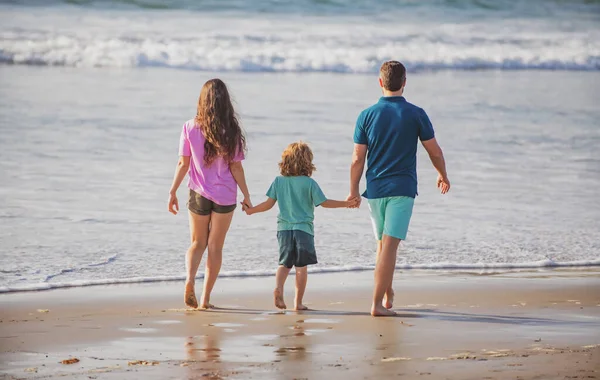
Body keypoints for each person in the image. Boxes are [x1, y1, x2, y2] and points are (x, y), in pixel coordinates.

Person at [348, 61, 450, 317]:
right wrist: (442, 175)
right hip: (402, 189)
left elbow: (357, 159)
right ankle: (376, 305)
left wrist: (353, 190)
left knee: (383, 245)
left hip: (375, 189)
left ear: (380, 82)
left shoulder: (367, 115)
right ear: (404, 83)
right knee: (389, 247)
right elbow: (434, 151)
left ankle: (387, 291)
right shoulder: (416, 113)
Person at [168, 78, 252, 310]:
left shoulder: (189, 127)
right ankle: (204, 300)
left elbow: (182, 164)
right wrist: (247, 195)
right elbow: (236, 167)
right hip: (225, 196)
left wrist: (172, 190)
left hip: (197, 193)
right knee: (215, 247)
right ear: (226, 102)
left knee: (197, 242)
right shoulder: (232, 130)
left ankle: (189, 280)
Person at [244, 142, 357, 311]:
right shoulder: (309, 183)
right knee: (301, 268)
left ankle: (279, 288)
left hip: (284, 230)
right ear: (307, 162)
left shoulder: (278, 181)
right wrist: (345, 204)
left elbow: (268, 204)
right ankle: (298, 303)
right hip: (303, 230)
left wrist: (251, 210)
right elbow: (324, 203)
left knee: (284, 264)